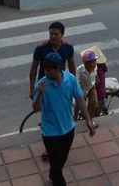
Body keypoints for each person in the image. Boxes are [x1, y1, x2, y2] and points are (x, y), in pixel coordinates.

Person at [32, 52, 97, 186]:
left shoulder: (70, 79)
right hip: (50, 132)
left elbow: (79, 99)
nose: (46, 73)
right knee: (57, 169)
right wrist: (40, 94)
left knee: (59, 164)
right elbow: (36, 108)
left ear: (58, 68)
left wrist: (88, 121)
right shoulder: (42, 84)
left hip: (68, 129)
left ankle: (51, 178)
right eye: (45, 70)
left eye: (49, 70)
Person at [28, 21, 77, 98]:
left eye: (56, 34)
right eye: (51, 34)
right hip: (45, 85)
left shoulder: (68, 47)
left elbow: (72, 65)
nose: (53, 36)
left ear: (62, 35)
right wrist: (32, 88)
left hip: (61, 83)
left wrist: (73, 83)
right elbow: (34, 67)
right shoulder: (40, 48)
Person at [76, 49, 100, 119]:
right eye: (91, 63)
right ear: (86, 64)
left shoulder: (95, 67)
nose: (94, 64)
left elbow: (94, 74)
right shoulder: (79, 70)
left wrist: (96, 78)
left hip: (91, 87)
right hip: (81, 89)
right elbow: (76, 81)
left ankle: (90, 119)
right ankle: (75, 119)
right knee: (78, 104)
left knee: (94, 103)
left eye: (94, 62)